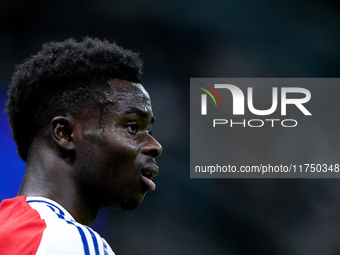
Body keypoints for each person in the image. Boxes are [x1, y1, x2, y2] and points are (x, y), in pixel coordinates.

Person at [0, 37, 162, 254]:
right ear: (65, 133)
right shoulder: (68, 240)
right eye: (132, 127)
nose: (155, 146)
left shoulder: (10, 231)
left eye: (149, 131)